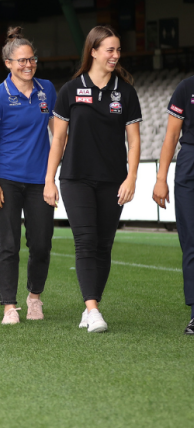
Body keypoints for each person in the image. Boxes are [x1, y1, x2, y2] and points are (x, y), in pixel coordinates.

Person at [45, 25, 142, 334]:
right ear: (94, 51)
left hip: (113, 180)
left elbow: (135, 140)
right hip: (75, 179)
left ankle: (91, 306)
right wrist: (50, 180)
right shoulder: (70, 90)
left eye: (117, 49)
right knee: (85, 241)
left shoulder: (125, 91)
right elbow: (58, 140)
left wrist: (131, 177)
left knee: (104, 245)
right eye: (109, 49)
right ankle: (93, 309)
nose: (115, 55)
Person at [0, 27, 57, 325]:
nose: (28, 65)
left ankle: (34, 297)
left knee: (41, 244)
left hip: (40, 181)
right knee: (8, 245)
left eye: (32, 60)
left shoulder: (47, 89)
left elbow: (57, 134)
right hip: (7, 181)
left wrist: (52, 178)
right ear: (8, 64)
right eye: (21, 61)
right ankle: (8, 306)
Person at [152, 72, 194, 335]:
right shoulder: (186, 87)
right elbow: (171, 135)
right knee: (191, 242)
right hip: (189, 163)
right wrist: (160, 178)